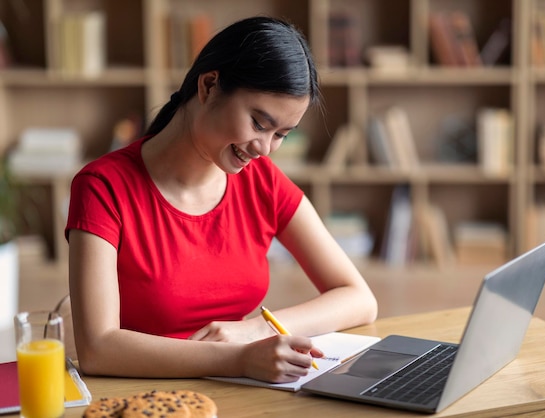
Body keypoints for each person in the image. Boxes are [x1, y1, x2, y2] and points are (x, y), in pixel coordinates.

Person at [65, 16, 377, 383]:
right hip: (147, 395)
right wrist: (236, 359)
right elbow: (98, 349)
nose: (264, 149)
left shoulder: (261, 181)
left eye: (282, 135)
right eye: (259, 124)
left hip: (243, 393)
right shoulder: (103, 187)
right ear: (210, 86)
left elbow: (359, 298)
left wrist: (254, 331)